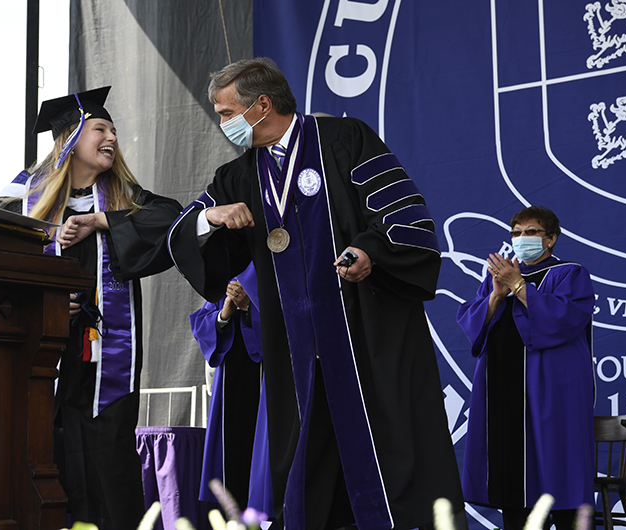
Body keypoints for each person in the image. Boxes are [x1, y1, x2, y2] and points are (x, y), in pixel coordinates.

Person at [167, 57, 465, 530]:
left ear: (262, 105)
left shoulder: (346, 141)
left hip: (366, 335)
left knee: (389, 452)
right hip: (296, 354)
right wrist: (213, 218)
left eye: (226, 113)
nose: (222, 124)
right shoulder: (238, 177)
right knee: (307, 462)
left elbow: (407, 219)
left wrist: (370, 252)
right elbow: (183, 234)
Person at [0, 87, 182, 529]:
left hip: (103, 355)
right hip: (41, 353)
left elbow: (172, 218)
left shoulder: (121, 197)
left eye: (114, 129)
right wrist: (47, 299)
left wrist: (102, 221)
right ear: (71, 137)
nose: (112, 136)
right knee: (46, 454)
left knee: (107, 462)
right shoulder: (21, 199)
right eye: (100, 128)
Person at [456, 206, 595, 530]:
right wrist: (495, 296)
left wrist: (519, 287)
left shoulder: (569, 273)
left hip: (553, 389)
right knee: (513, 477)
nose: (522, 239)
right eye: (516, 233)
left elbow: (564, 319)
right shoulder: (498, 279)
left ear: (552, 239)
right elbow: (473, 324)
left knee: (560, 468)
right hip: (505, 391)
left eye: (531, 232)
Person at [189, 263, 272, 516]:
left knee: (264, 455)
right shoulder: (229, 266)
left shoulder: (273, 261)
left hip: (269, 373)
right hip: (232, 373)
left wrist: (250, 307)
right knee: (232, 459)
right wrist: (225, 312)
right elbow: (202, 321)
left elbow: (289, 314)